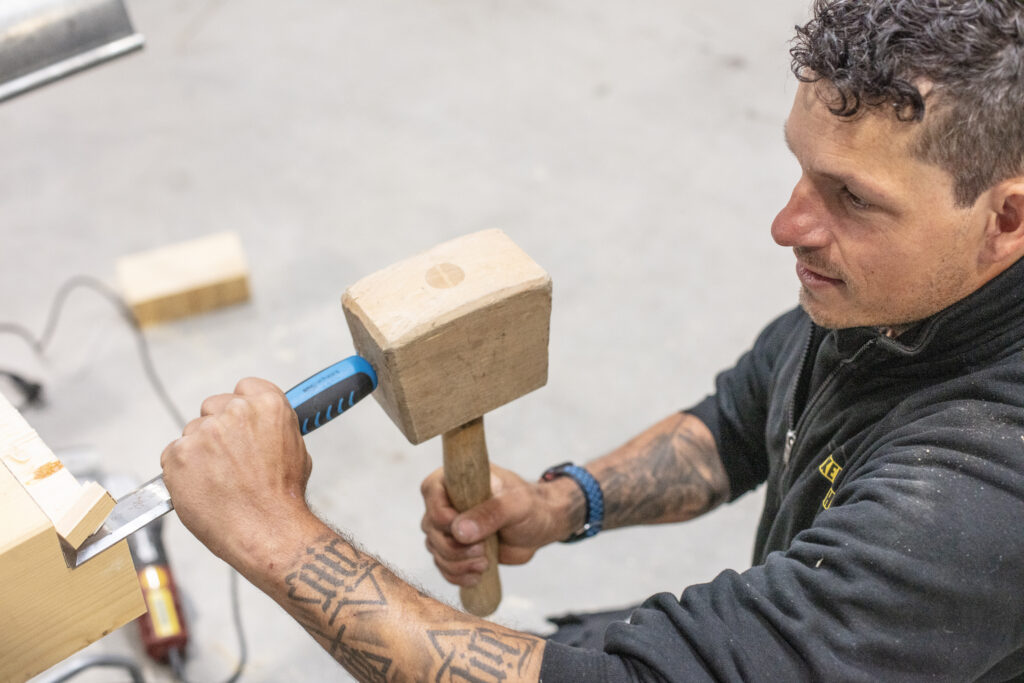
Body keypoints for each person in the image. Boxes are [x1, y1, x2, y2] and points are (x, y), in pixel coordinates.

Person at [161, 0, 1024, 679]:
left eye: (851, 197)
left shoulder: (974, 502)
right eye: (800, 168)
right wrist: (561, 504)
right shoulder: (906, 288)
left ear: (1005, 216)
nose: (787, 223)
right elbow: (744, 415)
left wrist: (270, 529)